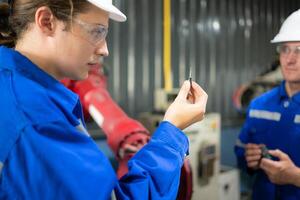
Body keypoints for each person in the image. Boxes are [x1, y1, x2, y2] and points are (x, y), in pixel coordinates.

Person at [0, 0, 208, 199]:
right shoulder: (37, 120)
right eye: (96, 31)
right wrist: (172, 131)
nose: (104, 49)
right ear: (47, 21)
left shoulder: (11, 85)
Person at [235, 9, 300, 200]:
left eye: (299, 50)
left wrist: (295, 177)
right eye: (285, 49)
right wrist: (249, 158)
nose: (290, 59)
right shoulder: (259, 104)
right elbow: (240, 148)